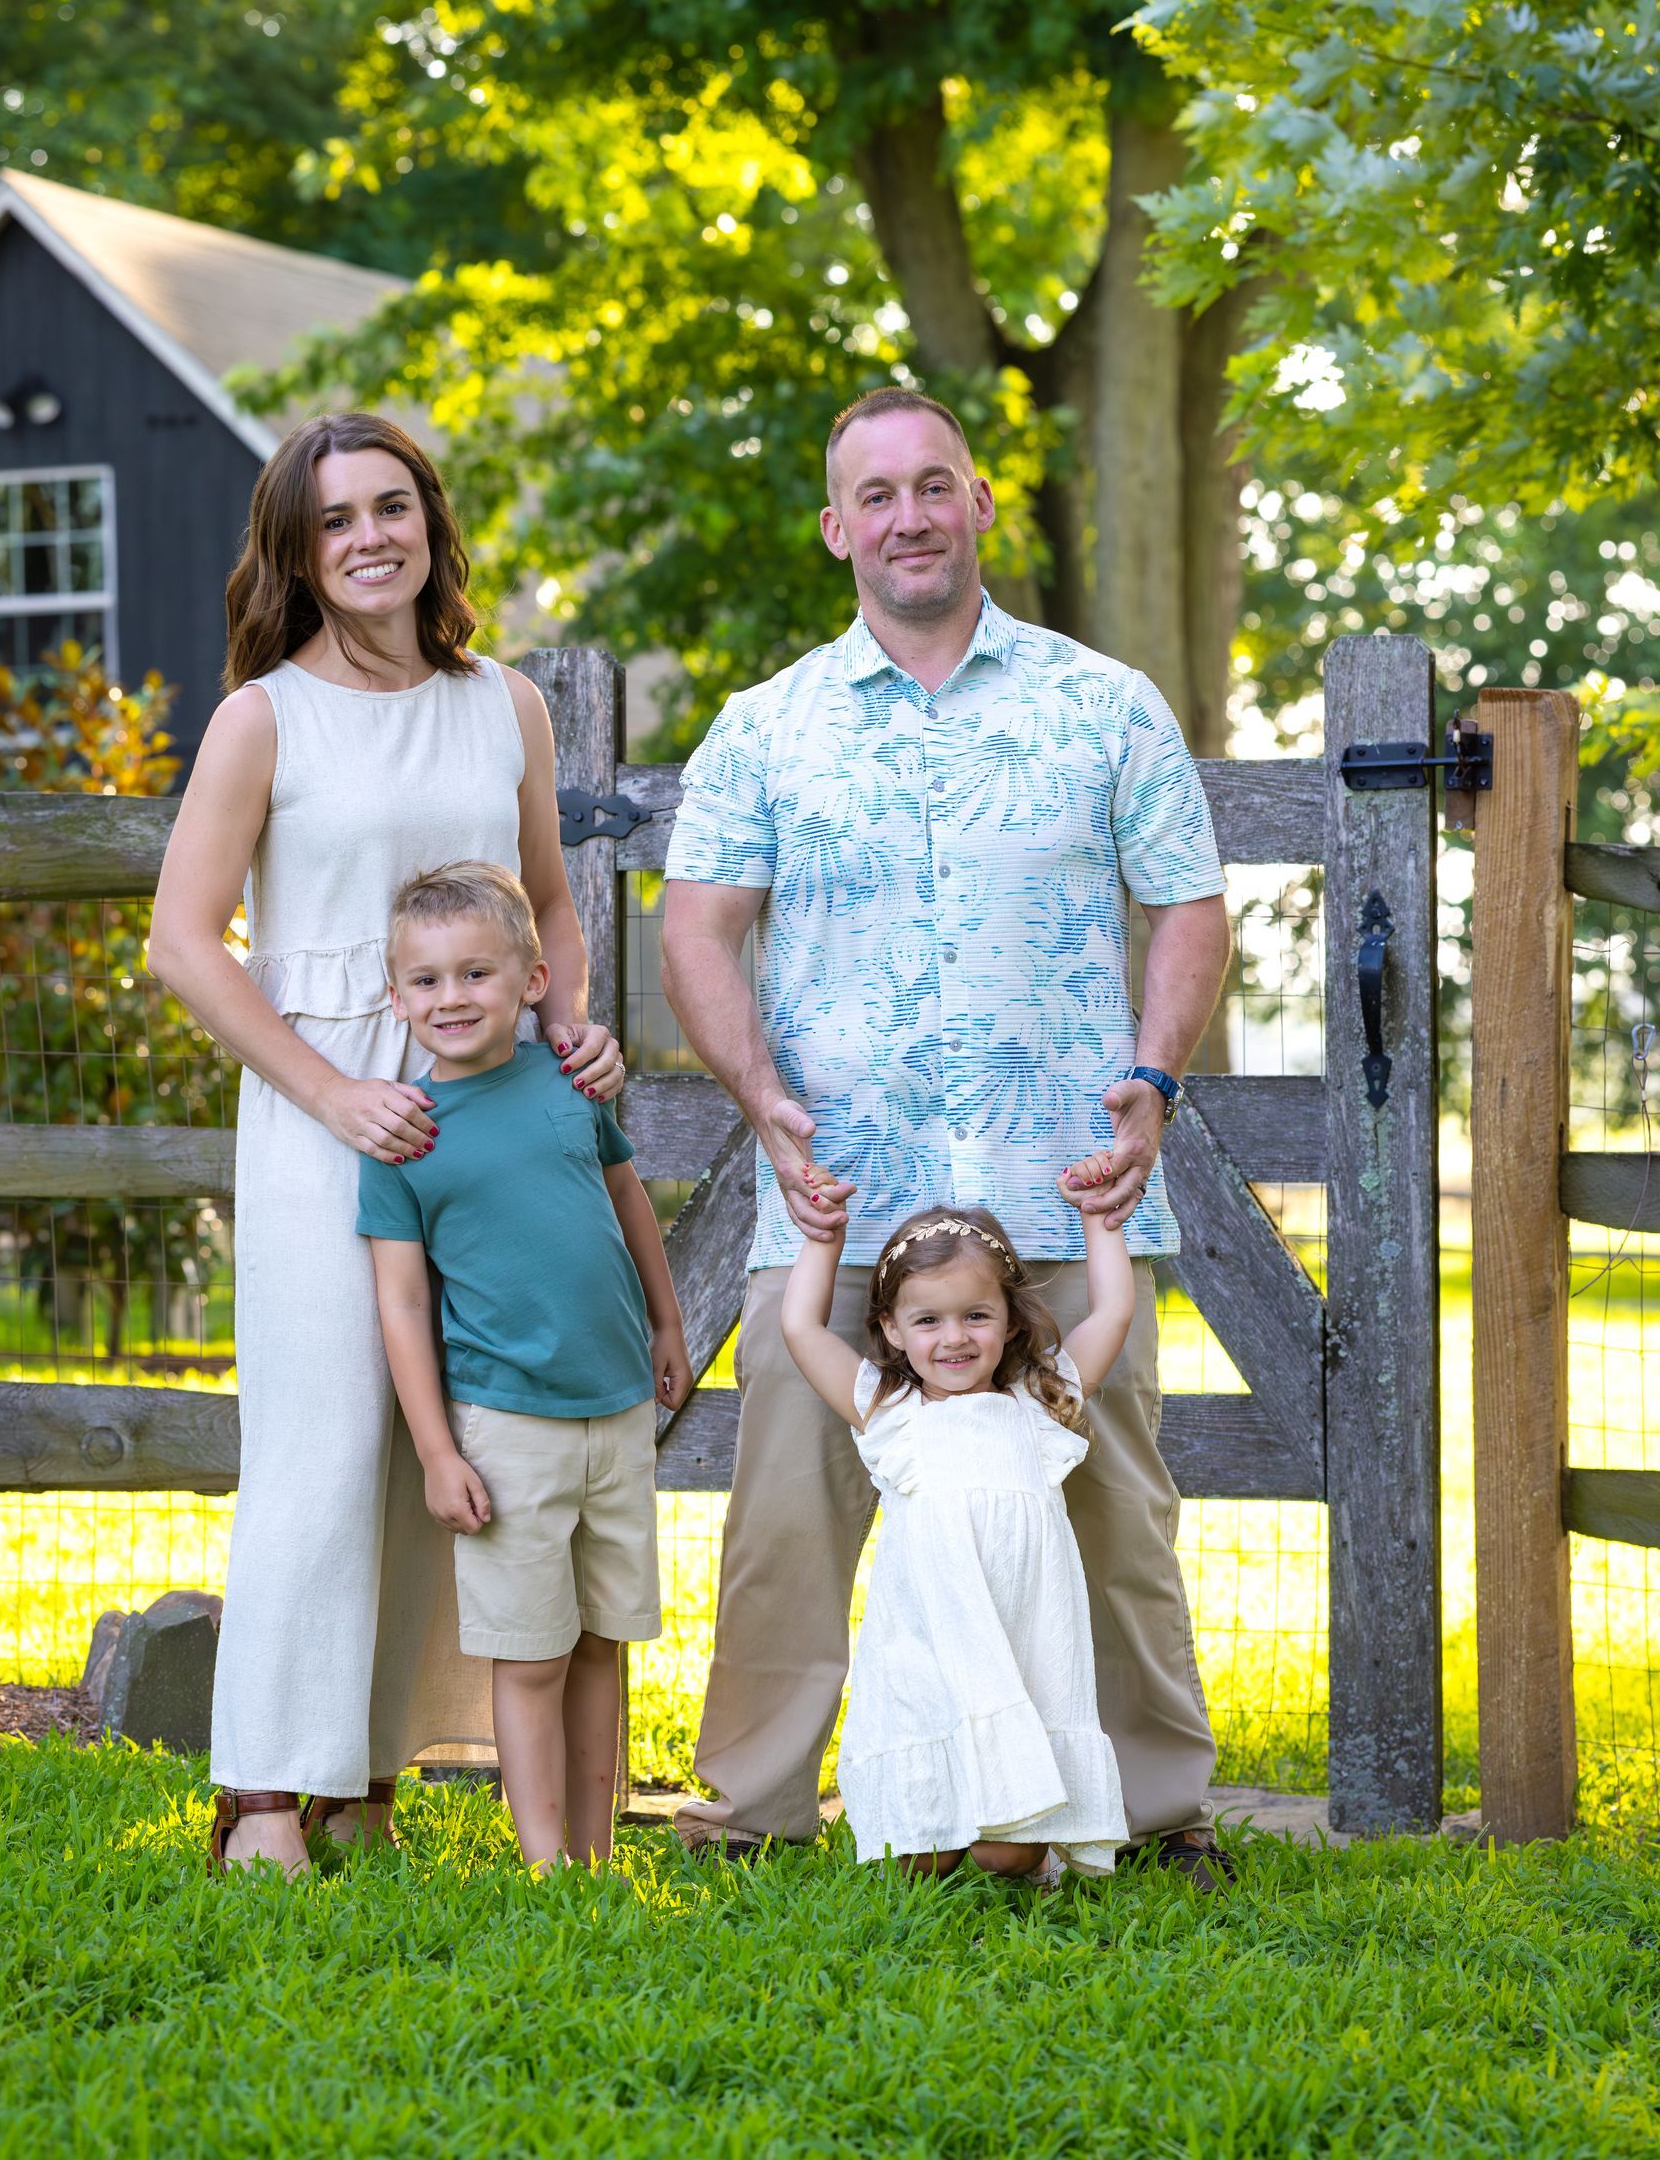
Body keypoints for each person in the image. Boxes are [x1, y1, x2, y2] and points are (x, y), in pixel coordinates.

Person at [661, 385, 1234, 1884]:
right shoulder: (762, 726)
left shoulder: (1105, 704)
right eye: (877, 493)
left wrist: (1156, 1079)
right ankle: (756, 1808)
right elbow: (700, 931)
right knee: (787, 1515)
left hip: (1063, 1184)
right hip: (835, 1199)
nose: (908, 515)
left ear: (980, 501)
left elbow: (1187, 902)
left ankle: (1157, 1806)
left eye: (935, 485)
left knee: (1108, 1510)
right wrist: (760, 1097)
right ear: (838, 524)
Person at [147, 413, 624, 1877]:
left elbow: (549, 904)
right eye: (337, 516)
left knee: (454, 1428)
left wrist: (567, 1027)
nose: (370, 535)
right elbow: (182, 938)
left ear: (432, 522)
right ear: (297, 547)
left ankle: (371, 1768)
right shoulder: (264, 717)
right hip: (323, 1106)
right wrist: (329, 1090)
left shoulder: (507, 706)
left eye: (393, 505)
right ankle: (270, 1793)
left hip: (481, 1111)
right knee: (325, 1431)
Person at [363, 862, 693, 1867]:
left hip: (619, 1411)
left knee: (604, 1643)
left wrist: (669, 1321)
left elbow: (628, 1198)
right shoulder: (405, 1133)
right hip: (506, 1428)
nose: (452, 996)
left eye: (476, 972)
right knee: (534, 1652)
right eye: (426, 980)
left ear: (532, 977)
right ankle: (545, 1861)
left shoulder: (569, 1081)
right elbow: (403, 1300)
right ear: (396, 997)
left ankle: (593, 1857)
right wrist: (434, 1450)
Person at [781, 1162, 1132, 1881]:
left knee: (1010, 1851)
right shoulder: (891, 1413)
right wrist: (824, 1233)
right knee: (923, 1853)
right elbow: (798, 1325)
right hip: (929, 1644)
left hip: (1021, 1640)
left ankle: (1014, 1816)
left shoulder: (1040, 1402)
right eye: (927, 1319)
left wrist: (1098, 1219)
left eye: (977, 1315)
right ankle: (927, 1821)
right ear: (890, 1327)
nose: (955, 1338)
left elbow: (1114, 1314)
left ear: (1009, 1319)